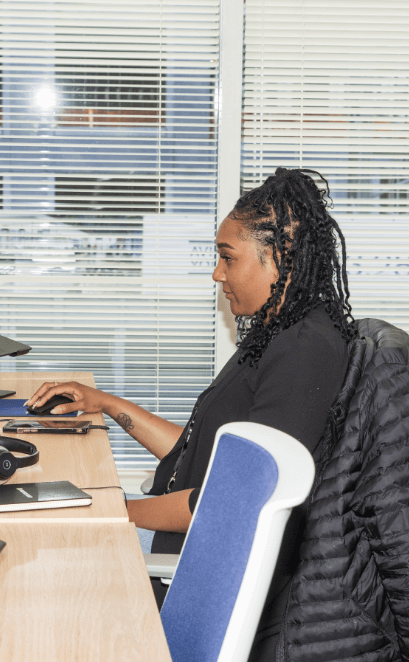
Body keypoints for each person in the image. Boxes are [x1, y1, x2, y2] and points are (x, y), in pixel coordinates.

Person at [26, 167, 357, 656]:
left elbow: (232, 501)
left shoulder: (305, 351)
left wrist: (114, 512)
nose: (217, 273)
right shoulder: (274, 332)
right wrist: (105, 403)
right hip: (181, 551)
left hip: (198, 580)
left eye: (228, 258)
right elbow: (196, 451)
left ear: (278, 258)